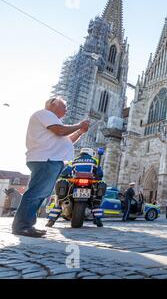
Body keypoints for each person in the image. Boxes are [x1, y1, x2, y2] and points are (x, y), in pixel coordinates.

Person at [12, 97, 89, 238]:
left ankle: (27, 225)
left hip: (50, 161)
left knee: (40, 194)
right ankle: (22, 226)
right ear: (52, 105)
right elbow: (60, 131)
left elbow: (67, 140)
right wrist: (79, 125)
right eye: (63, 106)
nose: (66, 110)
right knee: (35, 194)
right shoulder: (44, 114)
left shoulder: (54, 121)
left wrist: (79, 132)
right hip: (45, 160)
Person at [46, 147, 106, 228]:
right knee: (95, 202)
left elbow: (65, 171)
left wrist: (64, 175)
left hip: (75, 182)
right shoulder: (95, 160)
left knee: (60, 202)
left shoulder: (75, 160)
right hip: (89, 183)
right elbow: (100, 173)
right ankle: (98, 220)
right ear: (91, 153)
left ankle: (51, 221)